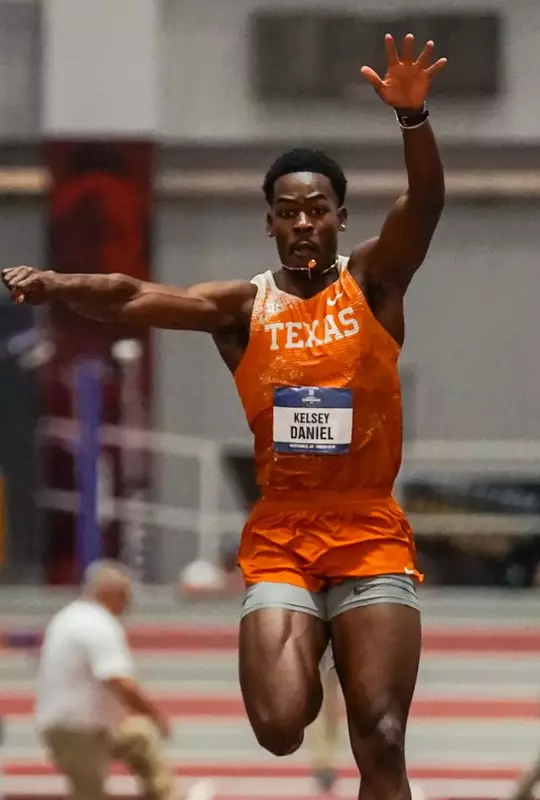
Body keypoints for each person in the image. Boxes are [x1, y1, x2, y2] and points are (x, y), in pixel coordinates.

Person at [4, 34, 446, 800]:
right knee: (279, 727)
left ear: (341, 218)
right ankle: (315, 634)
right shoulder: (242, 310)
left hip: (369, 532)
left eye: (317, 211)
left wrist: (413, 119)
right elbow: (131, 295)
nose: (303, 224)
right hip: (282, 537)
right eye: (288, 213)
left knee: (380, 736)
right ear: (268, 223)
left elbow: (426, 205)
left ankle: (351, 634)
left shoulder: (374, 285)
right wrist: (57, 283)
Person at [34, 559, 179, 800]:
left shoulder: (70, 617)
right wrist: (153, 713)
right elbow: (117, 680)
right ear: (112, 593)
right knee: (90, 794)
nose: (128, 603)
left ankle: (165, 795)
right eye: (126, 595)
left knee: (141, 737)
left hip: (87, 725)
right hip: (77, 731)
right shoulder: (97, 624)